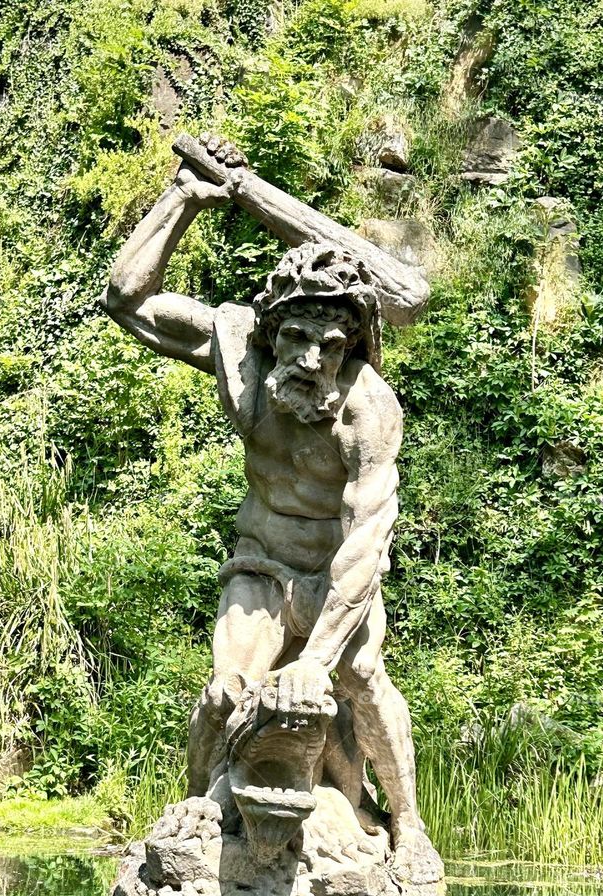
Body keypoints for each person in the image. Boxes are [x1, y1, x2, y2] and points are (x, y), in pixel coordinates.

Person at [103, 133, 430, 854]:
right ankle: (194, 815)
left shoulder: (367, 412)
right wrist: (186, 193)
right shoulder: (237, 349)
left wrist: (317, 660)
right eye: (299, 338)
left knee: (364, 673)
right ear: (272, 330)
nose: (313, 360)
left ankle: (407, 825)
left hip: (337, 577)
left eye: (334, 345)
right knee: (226, 693)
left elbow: (366, 542)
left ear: (354, 348)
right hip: (262, 565)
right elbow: (127, 300)